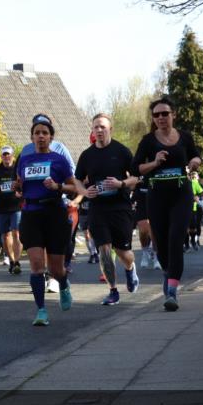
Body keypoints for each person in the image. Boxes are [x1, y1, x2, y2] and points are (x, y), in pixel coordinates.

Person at [132, 96, 202, 311]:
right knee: (161, 243)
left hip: (181, 194)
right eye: (156, 115)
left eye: (165, 113)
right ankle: (167, 273)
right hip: (156, 196)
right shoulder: (148, 141)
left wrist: (194, 162)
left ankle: (171, 291)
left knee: (175, 240)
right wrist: (154, 162)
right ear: (153, 118)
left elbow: (197, 157)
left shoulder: (185, 137)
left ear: (174, 115)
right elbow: (136, 169)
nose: (161, 118)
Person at [15, 115, 78, 326]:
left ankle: (63, 283)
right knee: (36, 265)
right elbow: (19, 183)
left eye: (44, 133)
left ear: (51, 137)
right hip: (31, 213)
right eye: (37, 133)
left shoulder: (59, 160)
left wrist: (57, 187)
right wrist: (17, 189)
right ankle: (41, 310)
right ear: (32, 137)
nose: (40, 136)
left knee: (56, 269)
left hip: (54, 213)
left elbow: (73, 187)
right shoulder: (24, 160)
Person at [74, 113, 139, 306]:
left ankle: (130, 269)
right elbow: (76, 180)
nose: (99, 130)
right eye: (96, 127)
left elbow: (136, 178)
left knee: (123, 252)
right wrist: (85, 192)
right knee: (103, 248)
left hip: (120, 207)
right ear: (92, 131)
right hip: (98, 209)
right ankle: (113, 290)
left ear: (110, 129)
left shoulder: (121, 151)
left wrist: (120, 183)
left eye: (103, 127)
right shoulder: (87, 155)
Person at [0, 145, 23, 275]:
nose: (6, 157)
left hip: (16, 206)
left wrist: (21, 192)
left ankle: (17, 261)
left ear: (13, 156)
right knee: (5, 235)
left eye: (8, 154)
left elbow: (23, 183)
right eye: (4, 154)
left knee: (16, 233)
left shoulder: (17, 170)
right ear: (1, 157)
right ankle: (11, 260)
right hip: (2, 206)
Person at [185, 171, 203, 252]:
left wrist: (197, 196)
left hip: (193, 208)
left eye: (187, 175)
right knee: (184, 228)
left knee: (193, 227)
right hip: (182, 209)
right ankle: (186, 245)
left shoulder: (194, 183)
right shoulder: (179, 183)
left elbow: (202, 192)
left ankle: (193, 240)